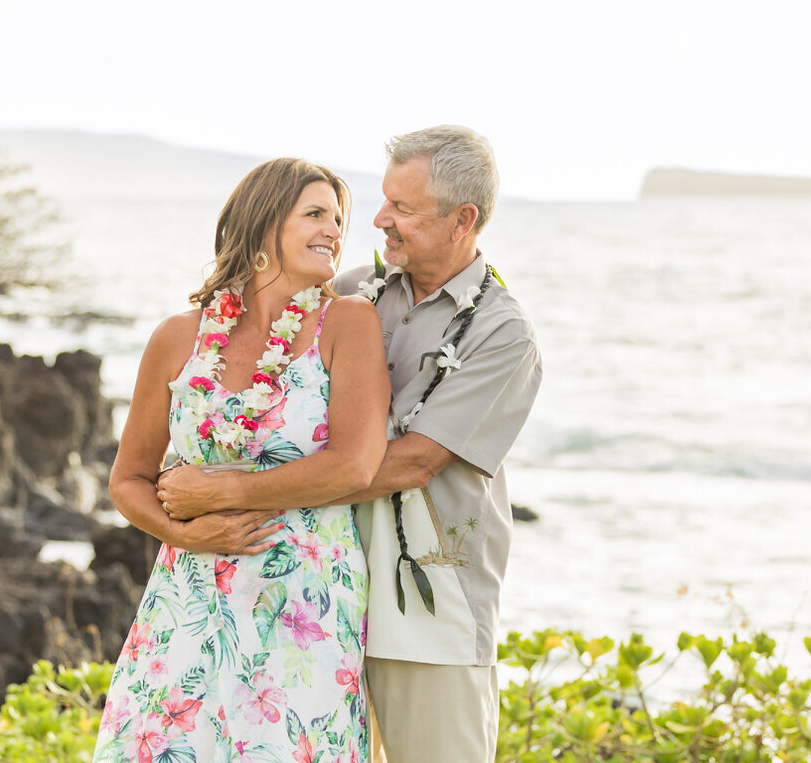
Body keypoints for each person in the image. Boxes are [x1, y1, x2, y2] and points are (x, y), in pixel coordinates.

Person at [157, 126, 543, 762]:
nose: (381, 219)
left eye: (405, 208)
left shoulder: (503, 334)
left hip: (423, 607)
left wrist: (229, 488)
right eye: (383, 200)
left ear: (462, 219)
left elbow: (411, 461)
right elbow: (255, 375)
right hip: (314, 592)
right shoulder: (351, 290)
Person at [93, 159, 391, 763]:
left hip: (303, 603)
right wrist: (185, 529)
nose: (334, 230)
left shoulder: (350, 323)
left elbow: (353, 467)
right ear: (262, 226)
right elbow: (128, 479)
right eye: (315, 214)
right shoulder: (178, 337)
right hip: (188, 596)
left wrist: (221, 492)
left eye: (339, 219)